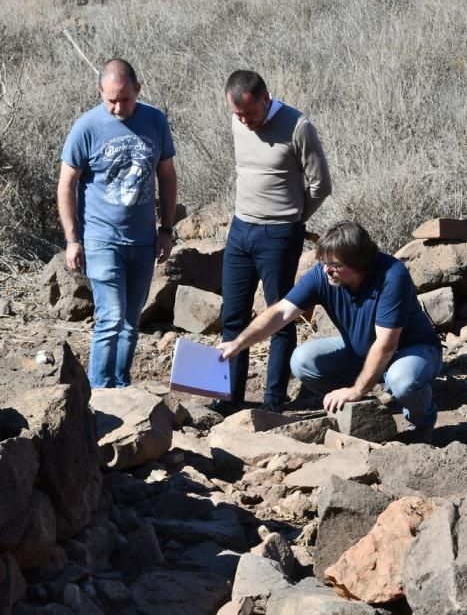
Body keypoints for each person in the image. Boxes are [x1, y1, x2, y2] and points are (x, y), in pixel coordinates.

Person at [218, 221, 442, 442]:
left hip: (411, 350)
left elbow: (386, 344)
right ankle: (367, 404)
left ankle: (423, 421)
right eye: (324, 262)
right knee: (302, 361)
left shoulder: (393, 277)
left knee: (402, 381)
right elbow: (281, 313)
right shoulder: (323, 274)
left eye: (334, 264)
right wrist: (240, 342)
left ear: (358, 263)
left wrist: (356, 390)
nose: (326, 269)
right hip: (360, 352)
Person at [216, 69, 331, 414]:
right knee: (232, 316)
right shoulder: (238, 122)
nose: (244, 120)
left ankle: (273, 401)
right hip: (240, 228)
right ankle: (227, 399)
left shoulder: (298, 126)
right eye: (237, 114)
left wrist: (293, 217)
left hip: (280, 233)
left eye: (250, 112)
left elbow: (320, 184)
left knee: (279, 315)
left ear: (266, 98)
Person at [58, 58, 177, 388]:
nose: (117, 106)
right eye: (110, 99)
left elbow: (166, 175)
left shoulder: (155, 121)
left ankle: (121, 388)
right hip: (101, 239)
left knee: (129, 321)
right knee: (110, 318)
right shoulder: (87, 126)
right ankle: (98, 395)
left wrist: (166, 230)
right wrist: (73, 239)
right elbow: (67, 182)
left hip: (142, 240)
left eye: (124, 98)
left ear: (138, 89)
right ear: (100, 92)